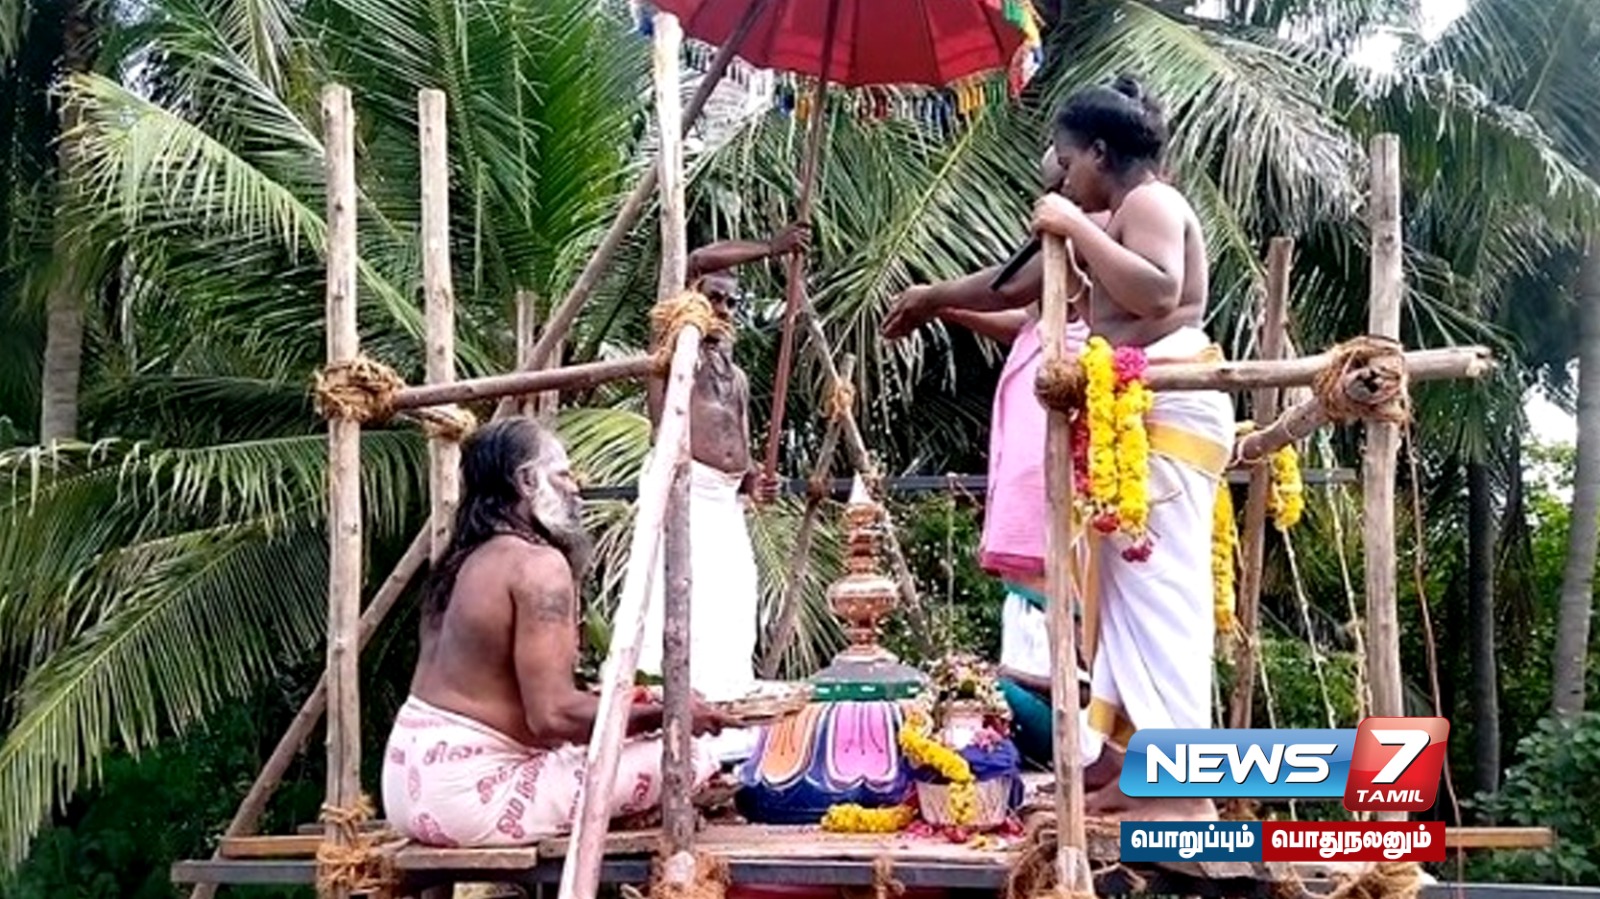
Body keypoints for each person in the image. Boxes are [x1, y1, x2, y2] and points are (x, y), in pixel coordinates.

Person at [899, 76, 1232, 820]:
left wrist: (1075, 227)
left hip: (1167, 402)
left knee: (1160, 600)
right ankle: (1136, 770)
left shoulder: (1148, 201)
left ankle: (1180, 790)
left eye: (1067, 157)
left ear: (1100, 153)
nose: (1062, 172)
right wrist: (938, 298)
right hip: (1135, 404)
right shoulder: (1114, 214)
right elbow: (1015, 287)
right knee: (1125, 604)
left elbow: (1158, 291)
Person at [380, 417, 734, 847]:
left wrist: (642, 709)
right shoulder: (538, 566)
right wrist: (671, 714)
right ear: (528, 482)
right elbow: (552, 717)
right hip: (470, 800)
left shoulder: (457, 564)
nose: (576, 489)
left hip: (404, 789)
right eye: (564, 475)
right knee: (693, 755)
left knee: (618, 737)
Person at [883, 150, 1097, 769]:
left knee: (1064, 570)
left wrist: (932, 296)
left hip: (1064, 429)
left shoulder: (1092, 228)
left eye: (1059, 179)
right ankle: (1060, 732)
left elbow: (1012, 284)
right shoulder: (1064, 236)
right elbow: (1027, 314)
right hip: (1031, 428)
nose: (1047, 193)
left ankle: (1084, 739)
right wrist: (942, 308)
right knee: (1033, 576)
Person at [636, 224, 810, 764]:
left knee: (734, 603)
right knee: (688, 603)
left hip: (726, 498)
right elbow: (698, 258)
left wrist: (756, 477)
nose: (724, 309)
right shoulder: (672, 346)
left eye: (732, 302)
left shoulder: (733, 372)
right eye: (715, 297)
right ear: (693, 295)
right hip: (686, 489)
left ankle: (729, 738)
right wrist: (774, 248)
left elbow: (740, 437)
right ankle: (678, 727)